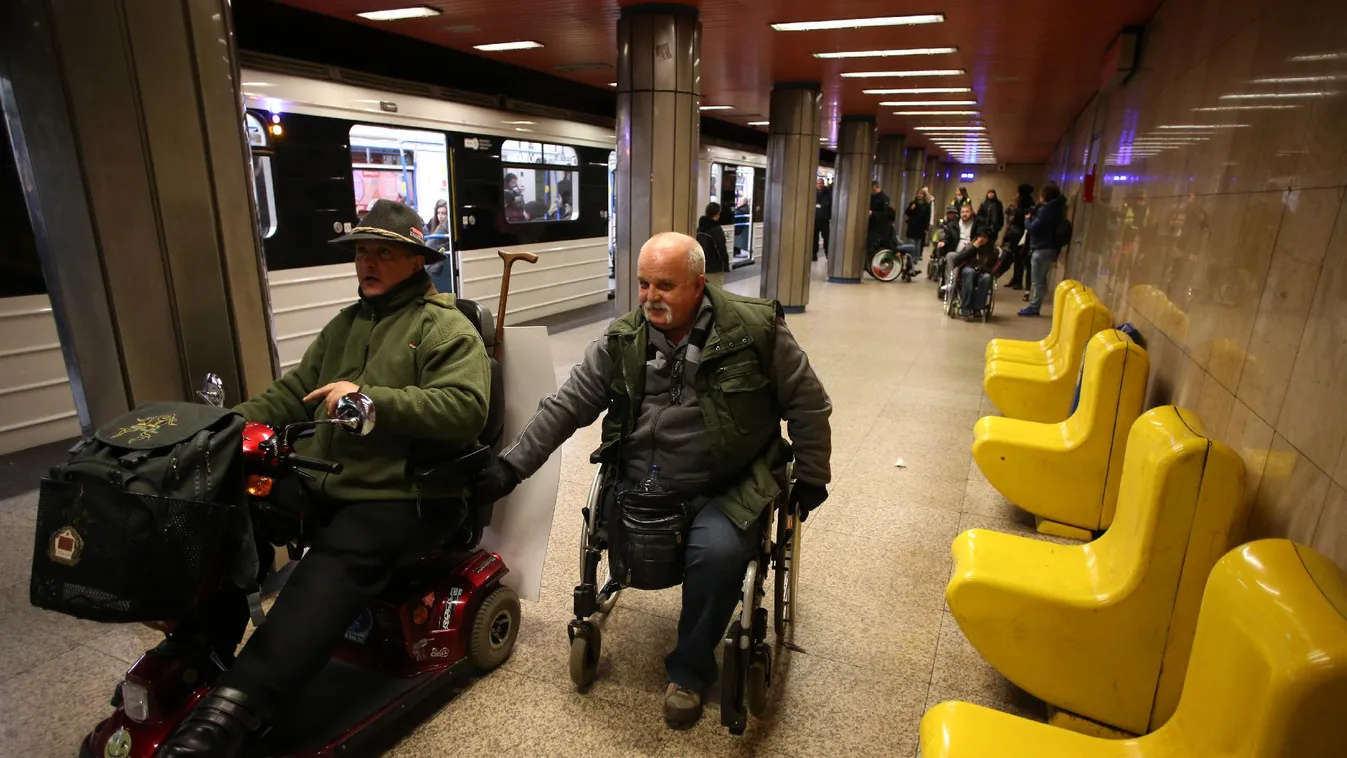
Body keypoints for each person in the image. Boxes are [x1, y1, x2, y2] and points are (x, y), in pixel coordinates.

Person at [158, 200, 492, 757]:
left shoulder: (445, 327)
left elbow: (465, 409)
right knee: (231, 509)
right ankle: (202, 652)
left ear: (415, 260)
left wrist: (371, 400)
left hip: (406, 494)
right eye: (362, 251)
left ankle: (235, 707)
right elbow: (292, 394)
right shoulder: (346, 324)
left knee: (327, 568)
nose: (368, 261)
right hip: (328, 480)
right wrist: (223, 427)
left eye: (383, 250)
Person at [472, 231, 832, 729]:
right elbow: (567, 405)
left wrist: (812, 475)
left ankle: (688, 670)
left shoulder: (755, 330)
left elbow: (807, 402)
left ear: (699, 284)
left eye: (665, 284)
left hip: (728, 484)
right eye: (643, 284)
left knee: (720, 554)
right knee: (627, 544)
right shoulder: (623, 339)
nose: (650, 298)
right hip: (642, 482)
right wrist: (510, 466)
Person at [1021, 182, 1067, 317]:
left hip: (1041, 247)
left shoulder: (1045, 211)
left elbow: (1034, 228)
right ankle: (1036, 303)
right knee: (1041, 279)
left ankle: (1034, 306)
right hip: (1050, 247)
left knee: (1037, 280)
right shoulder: (1057, 209)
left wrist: (1027, 220)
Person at [948, 229, 1000, 318]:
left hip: (983, 271)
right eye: (980, 237)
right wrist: (973, 248)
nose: (981, 239)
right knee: (970, 272)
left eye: (984, 237)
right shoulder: (969, 246)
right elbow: (958, 260)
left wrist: (983, 268)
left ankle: (978, 308)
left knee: (987, 277)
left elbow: (993, 265)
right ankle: (966, 307)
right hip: (968, 269)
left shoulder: (992, 250)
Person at [1003, 184, 1035, 290]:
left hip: (1020, 236)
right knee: (1017, 259)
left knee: (1019, 259)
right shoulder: (1027, 206)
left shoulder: (1023, 208)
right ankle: (1015, 279)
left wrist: (1013, 215)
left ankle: (1018, 281)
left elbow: (1016, 221)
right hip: (1018, 235)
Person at [696, 201, 731, 287]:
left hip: (702, 265)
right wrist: (725, 264)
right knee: (717, 291)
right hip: (715, 267)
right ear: (716, 214)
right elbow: (721, 248)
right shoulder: (716, 229)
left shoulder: (700, 228)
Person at [868, 181, 897, 251]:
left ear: (876, 187)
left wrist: (873, 213)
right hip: (872, 223)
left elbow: (885, 213)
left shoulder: (884, 198)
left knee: (874, 243)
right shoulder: (872, 196)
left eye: (873, 188)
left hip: (879, 225)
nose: (872, 190)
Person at [905, 188, 931, 262]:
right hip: (912, 225)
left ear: (924, 195)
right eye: (918, 193)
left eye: (921, 194)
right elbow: (907, 212)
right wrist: (911, 208)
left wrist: (926, 228)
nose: (919, 195)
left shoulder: (926, 205)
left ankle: (916, 257)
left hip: (921, 226)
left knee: (918, 244)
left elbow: (927, 217)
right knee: (911, 243)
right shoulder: (913, 203)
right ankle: (910, 258)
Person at [814, 177, 832, 261]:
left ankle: (828, 253)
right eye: (818, 184)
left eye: (821, 183)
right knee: (814, 238)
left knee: (826, 237)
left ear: (823, 184)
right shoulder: (813, 193)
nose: (819, 185)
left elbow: (831, 205)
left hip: (824, 219)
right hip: (815, 219)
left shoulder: (828, 193)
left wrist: (830, 216)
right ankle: (814, 254)